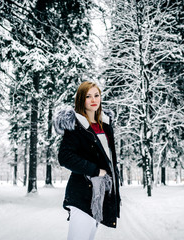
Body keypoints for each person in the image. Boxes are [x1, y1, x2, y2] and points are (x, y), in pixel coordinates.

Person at [54, 81, 121, 240]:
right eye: (88, 96)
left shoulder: (105, 126)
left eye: (96, 95)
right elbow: (65, 157)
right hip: (83, 193)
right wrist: (95, 170)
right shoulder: (76, 126)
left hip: (99, 194)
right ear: (81, 100)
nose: (93, 99)